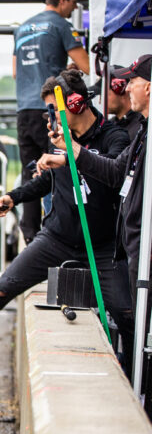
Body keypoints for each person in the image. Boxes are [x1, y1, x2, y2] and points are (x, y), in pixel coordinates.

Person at [0, 69, 132, 378]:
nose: (49, 119)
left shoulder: (114, 137)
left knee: (127, 315)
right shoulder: (59, 139)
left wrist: (71, 154)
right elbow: (50, 179)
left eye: (53, 110)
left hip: (102, 246)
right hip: (57, 237)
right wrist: (12, 197)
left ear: (75, 104)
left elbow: (113, 173)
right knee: (0, 289)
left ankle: (135, 380)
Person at [44, 56, 151, 305]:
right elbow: (115, 172)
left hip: (141, 245)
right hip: (135, 245)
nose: (127, 88)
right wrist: (72, 150)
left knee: (133, 315)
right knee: (136, 315)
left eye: (132, 81)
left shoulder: (127, 133)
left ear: (148, 87)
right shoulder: (143, 132)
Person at [13, 0, 91, 244]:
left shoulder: (22, 27)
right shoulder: (60, 25)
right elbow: (88, 66)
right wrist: (68, 70)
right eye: (74, 2)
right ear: (62, 0)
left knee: (31, 173)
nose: (75, 8)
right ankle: (54, 236)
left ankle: (31, 237)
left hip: (23, 110)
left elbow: (16, 72)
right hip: (50, 110)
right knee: (54, 170)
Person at [99, 64, 147, 141]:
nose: (100, 101)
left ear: (120, 89)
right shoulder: (109, 125)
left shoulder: (141, 124)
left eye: (103, 95)